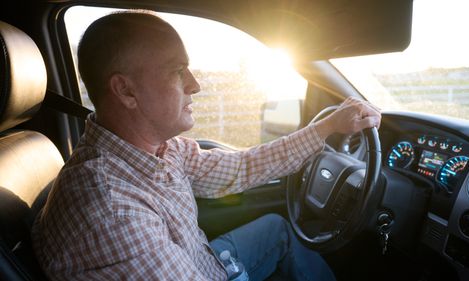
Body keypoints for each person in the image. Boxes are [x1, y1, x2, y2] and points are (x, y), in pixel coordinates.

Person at [31, 11, 381, 281]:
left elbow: (242, 168)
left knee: (276, 230)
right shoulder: (114, 212)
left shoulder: (161, 149)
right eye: (178, 70)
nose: (195, 85)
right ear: (126, 91)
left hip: (203, 262)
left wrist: (327, 127)